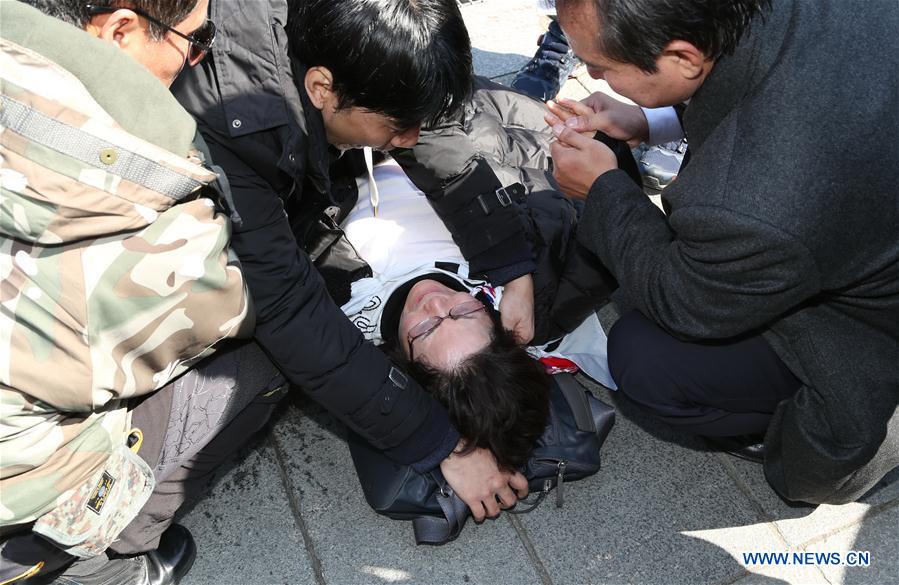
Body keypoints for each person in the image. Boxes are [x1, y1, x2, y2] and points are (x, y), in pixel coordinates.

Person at [171, 0, 534, 529]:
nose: (409, 140)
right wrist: (439, 444)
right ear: (321, 88)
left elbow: (427, 130)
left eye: (439, 323)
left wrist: (510, 265)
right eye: (397, 125)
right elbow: (289, 309)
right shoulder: (235, 133)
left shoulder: (360, 54)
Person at [546, 0, 899, 504]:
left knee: (644, 360)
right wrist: (651, 119)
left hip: (871, 320)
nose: (591, 75)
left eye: (600, 65)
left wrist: (602, 190)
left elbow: (685, 299)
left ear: (683, 58)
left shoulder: (754, 204)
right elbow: (763, 77)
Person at [0, 1, 287, 583]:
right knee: (266, 363)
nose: (198, 58)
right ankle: (90, 560)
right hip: (15, 492)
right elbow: (246, 302)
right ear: (120, 30)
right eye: (196, 40)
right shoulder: (154, 227)